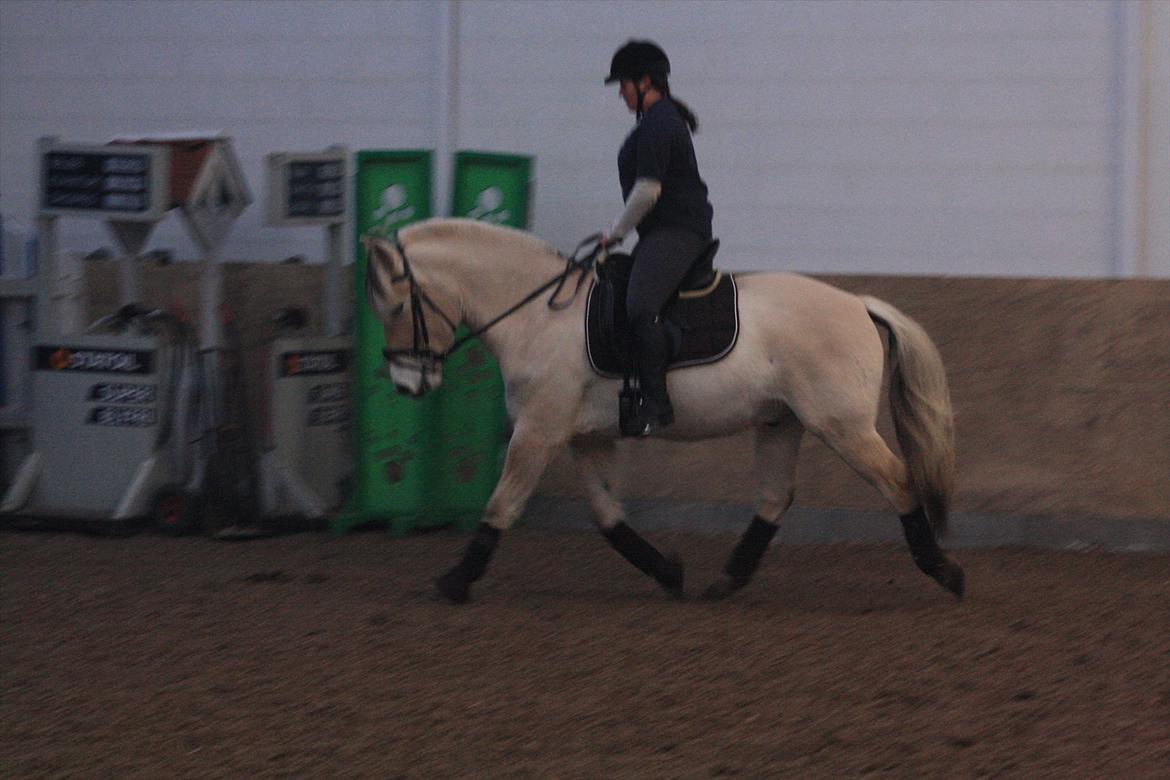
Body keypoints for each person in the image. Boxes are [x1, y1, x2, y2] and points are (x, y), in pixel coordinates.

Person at [601, 40, 714, 436]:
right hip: (660, 232)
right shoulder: (655, 122)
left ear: (645, 81)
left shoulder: (660, 123)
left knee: (640, 304)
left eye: (623, 84)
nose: (620, 92)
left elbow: (648, 190)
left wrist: (616, 233)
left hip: (678, 230)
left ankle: (656, 403)